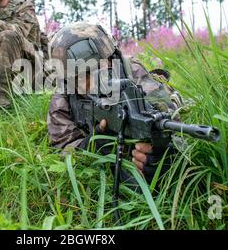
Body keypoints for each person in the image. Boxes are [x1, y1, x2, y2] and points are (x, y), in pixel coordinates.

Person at [47, 22, 183, 184]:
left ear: (112, 58)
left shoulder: (132, 72)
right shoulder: (63, 99)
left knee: (175, 101)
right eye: (83, 76)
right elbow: (62, 147)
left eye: (100, 67)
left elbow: (170, 119)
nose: (95, 81)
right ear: (69, 79)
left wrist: (163, 153)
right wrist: (91, 145)